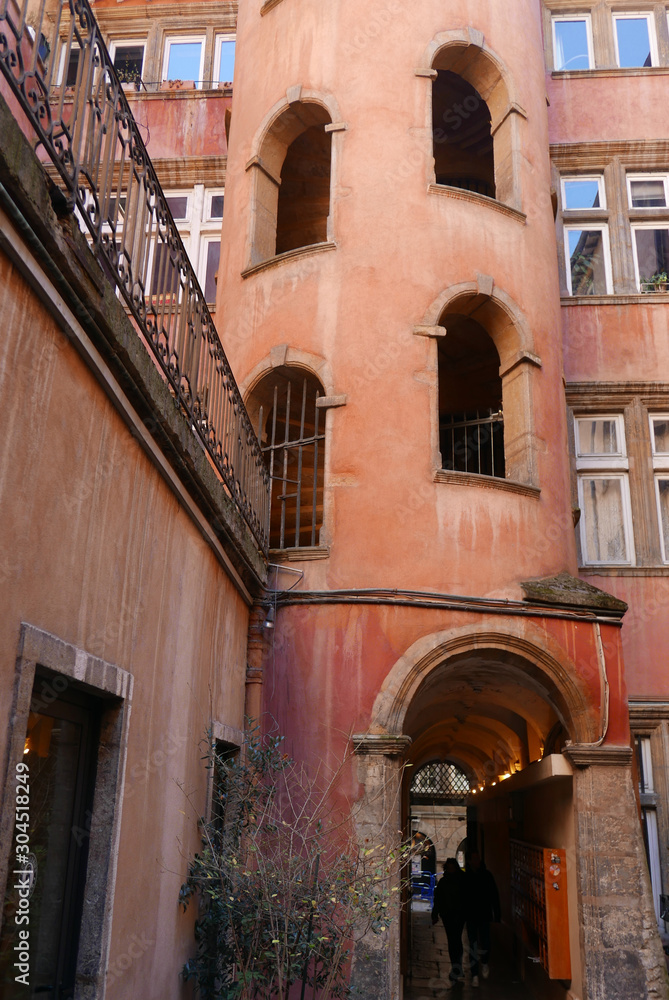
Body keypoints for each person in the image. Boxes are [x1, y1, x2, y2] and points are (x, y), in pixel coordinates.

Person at [463, 851, 501, 988]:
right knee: (472, 945)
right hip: (471, 916)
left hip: (484, 915)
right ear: (469, 861)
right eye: (474, 858)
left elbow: (494, 895)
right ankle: (474, 975)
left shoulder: (487, 875)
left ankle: (484, 962)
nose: (477, 860)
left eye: (478, 858)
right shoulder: (466, 877)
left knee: (486, 942)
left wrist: (497, 915)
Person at [431, 858, 466, 983]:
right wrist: (435, 914)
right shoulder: (445, 882)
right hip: (449, 915)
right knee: (453, 940)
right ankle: (457, 967)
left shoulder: (460, 880)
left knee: (455, 939)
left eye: (452, 868)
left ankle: (457, 967)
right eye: (449, 868)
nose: (451, 870)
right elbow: (438, 899)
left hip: (458, 915)